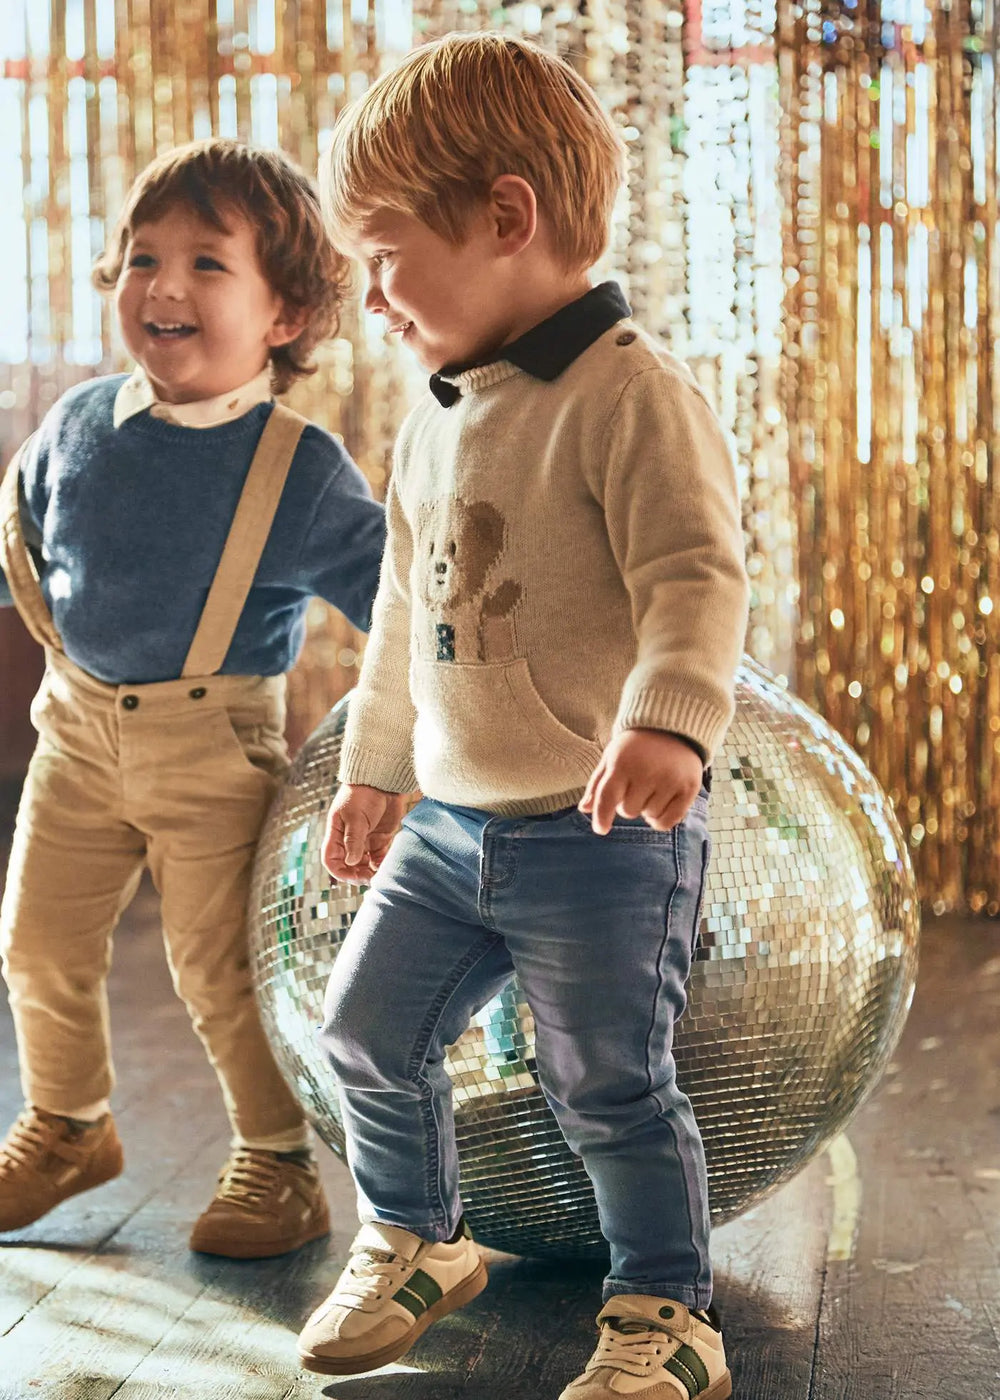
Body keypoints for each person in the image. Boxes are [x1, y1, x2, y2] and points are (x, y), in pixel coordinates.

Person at [297, 33, 748, 1400]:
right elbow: (404, 623)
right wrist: (377, 770)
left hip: (597, 838)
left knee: (605, 1081)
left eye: (386, 257)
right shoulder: (434, 421)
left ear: (507, 216)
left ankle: (666, 1309)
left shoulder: (630, 395)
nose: (375, 297)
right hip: (450, 828)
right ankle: (418, 1237)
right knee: (363, 1033)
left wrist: (669, 721)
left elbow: (695, 574)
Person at [0, 138, 385, 1260]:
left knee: (218, 970)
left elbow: (398, 605)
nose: (163, 286)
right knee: (37, 941)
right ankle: (68, 1123)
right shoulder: (76, 424)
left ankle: (278, 1161)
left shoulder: (300, 468)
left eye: (207, 264)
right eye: (142, 259)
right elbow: (26, 545)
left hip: (214, 747)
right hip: (75, 733)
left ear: (286, 314)